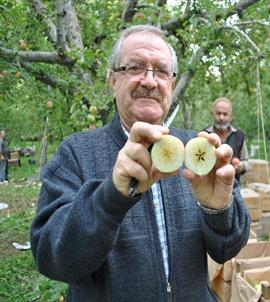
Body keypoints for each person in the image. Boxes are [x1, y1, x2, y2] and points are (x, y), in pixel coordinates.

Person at [30, 25, 251, 302]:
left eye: (161, 71)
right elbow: (52, 258)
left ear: (171, 83)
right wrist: (110, 198)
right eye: (135, 67)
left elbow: (226, 249)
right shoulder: (76, 153)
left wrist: (219, 211)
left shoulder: (198, 150)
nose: (149, 81)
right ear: (112, 80)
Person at [203, 97, 249, 182]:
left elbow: (246, 161)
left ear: (231, 116)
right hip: (209, 186)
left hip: (233, 187)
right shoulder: (205, 135)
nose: (221, 117)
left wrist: (239, 166)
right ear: (213, 114)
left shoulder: (239, 136)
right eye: (218, 113)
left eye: (225, 114)